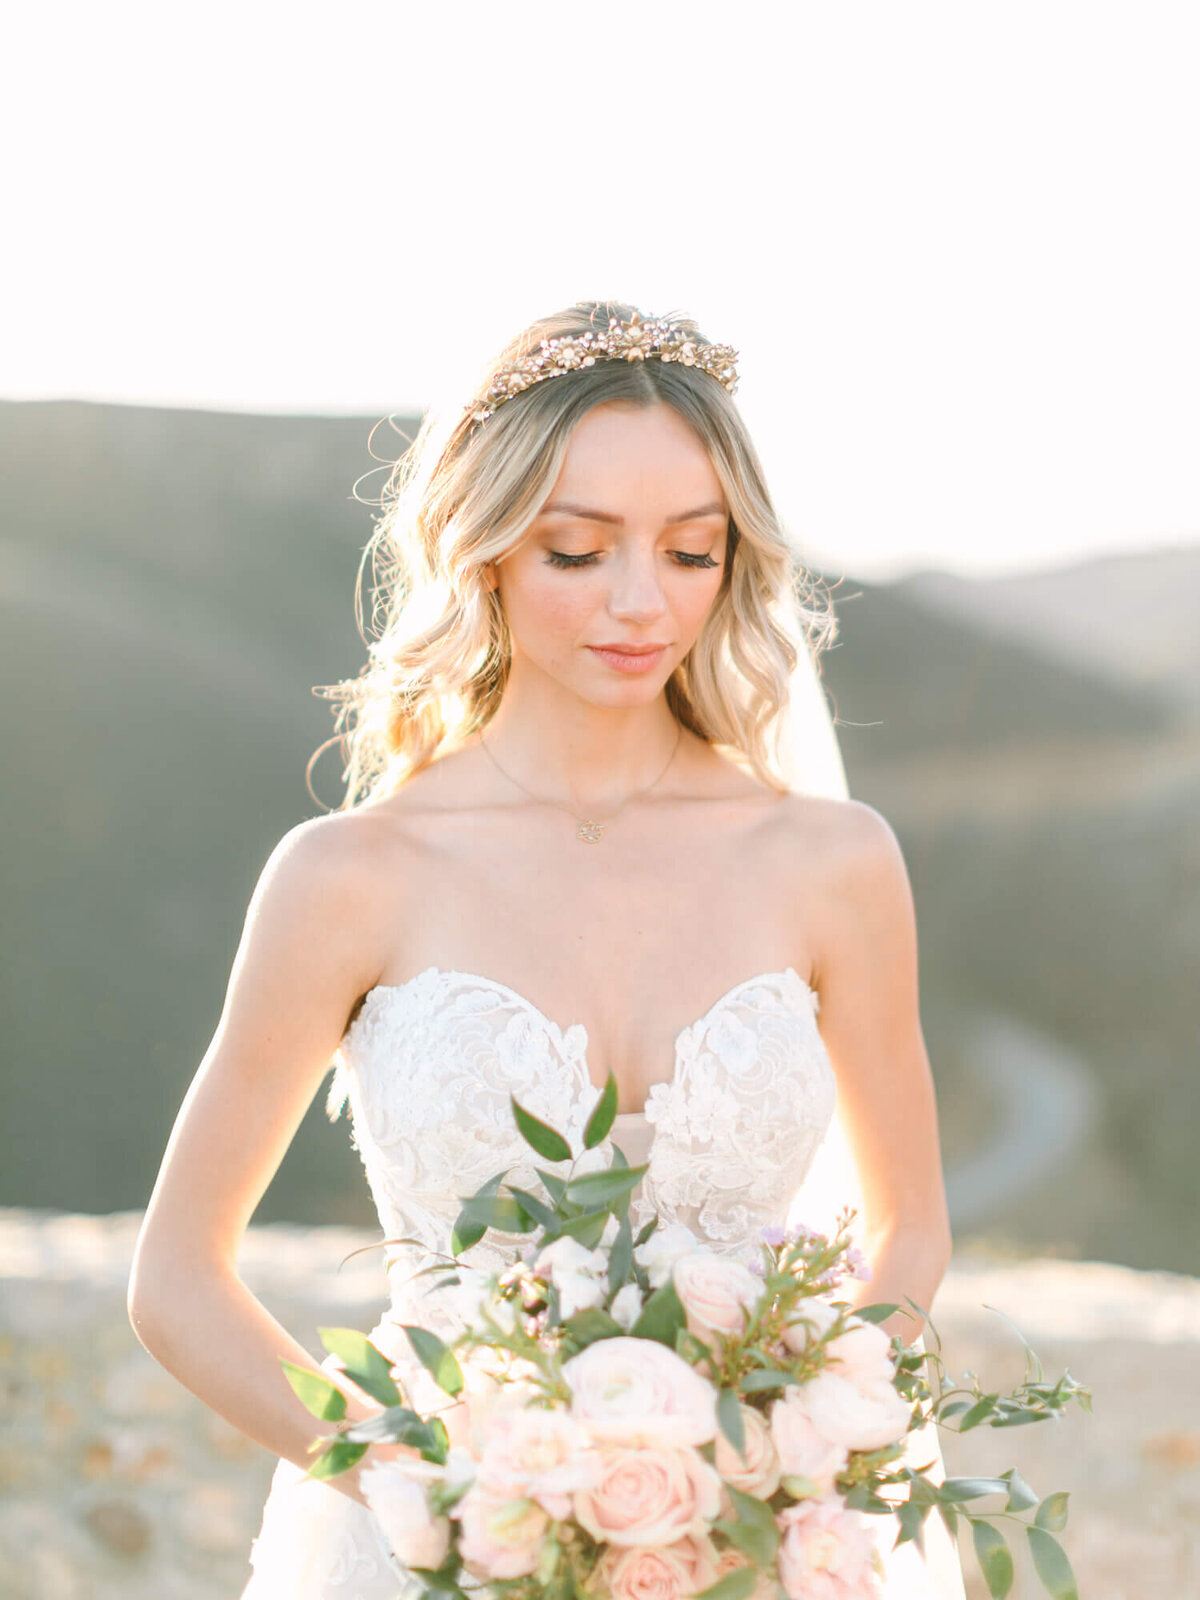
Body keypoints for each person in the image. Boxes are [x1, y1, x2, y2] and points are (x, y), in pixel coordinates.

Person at [127, 301, 965, 1598]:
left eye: (692, 551)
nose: (642, 602)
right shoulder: (351, 877)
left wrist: (787, 1454)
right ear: (489, 552)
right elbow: (177, 1279)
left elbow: (910, 1229)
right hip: (433, 1550)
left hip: (762, 1545)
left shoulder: (833, 863)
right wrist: (429, 1481)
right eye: (578, 550)